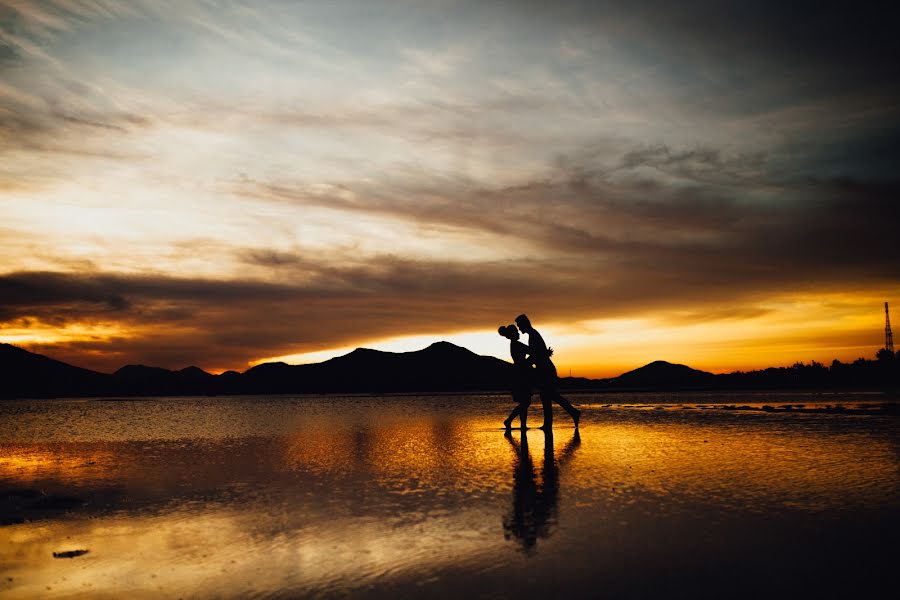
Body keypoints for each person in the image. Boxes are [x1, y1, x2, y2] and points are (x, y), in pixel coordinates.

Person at [514, 313, 580, 429]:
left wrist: (525, 364)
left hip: (546, 370)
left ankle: (570, 414)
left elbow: (536, 355)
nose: (519, 328)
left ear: (524, 324)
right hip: (544, 370)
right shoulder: (533, 335)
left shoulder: (533, 335)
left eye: (519, 325)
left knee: (549, 396)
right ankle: (552, 422)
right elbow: (537, 353)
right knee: (548, 396)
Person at [498, 324, 532, 430]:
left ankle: (522, 425)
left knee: (524, 401)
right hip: (521, 374)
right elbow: (531, 351)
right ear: (513, 335)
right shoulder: (516, 344)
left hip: (519, 373)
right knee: (525, 402)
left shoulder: (514, 344)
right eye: (516, 332)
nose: (518, 334)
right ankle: (509, 420)